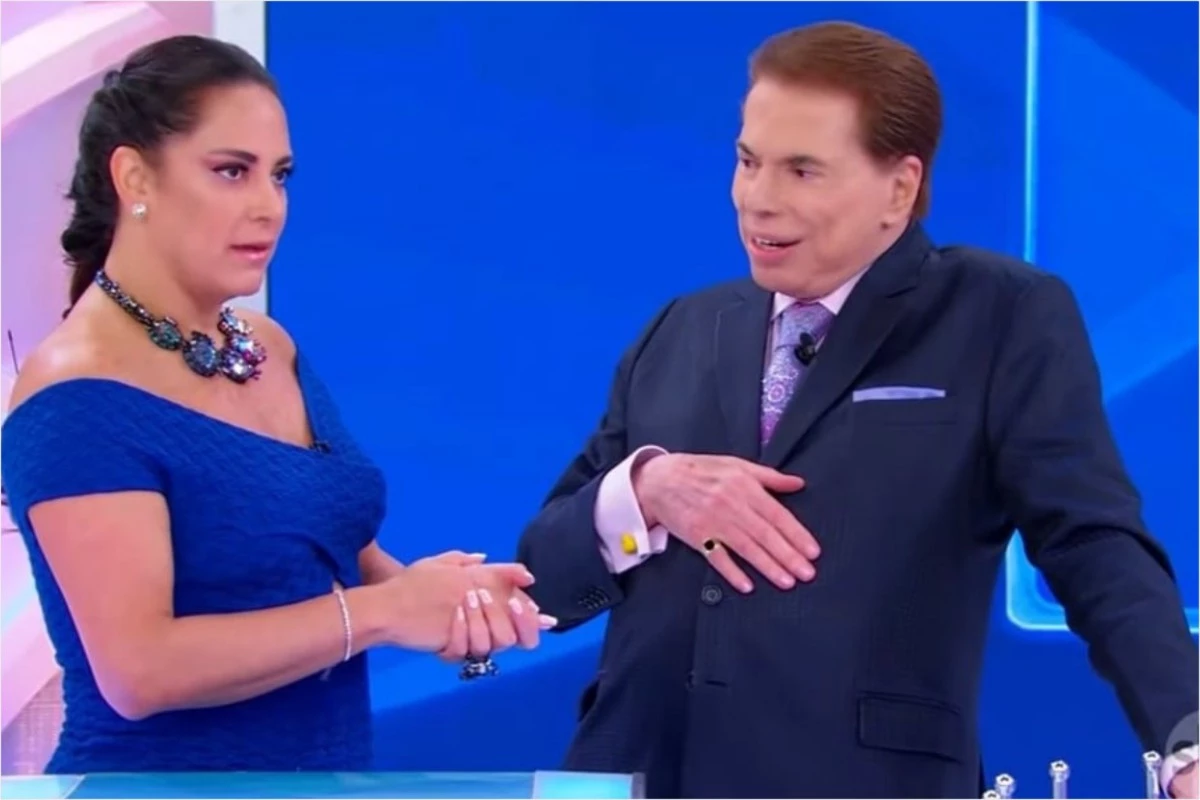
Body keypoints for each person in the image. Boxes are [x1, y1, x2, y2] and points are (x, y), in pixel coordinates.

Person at [516, 20, 1199, 799]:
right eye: (748, 161)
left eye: (802, 170)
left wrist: (1187, 737)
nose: (758, 200)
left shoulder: (999, 315)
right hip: (632, 774)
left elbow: (1092, 543)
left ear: (899, 189)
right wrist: (644, 492)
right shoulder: (682, 327)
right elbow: (543, 580)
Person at [1, 35, 554, 775]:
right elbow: (141, 670)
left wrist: (439, 599)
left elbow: (335, 556)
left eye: (280, 176)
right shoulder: (76, 393)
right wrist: (385, 614)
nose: (268, 207)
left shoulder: (269, 345)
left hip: (323, 777)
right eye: (231, 171)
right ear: (134, 176)